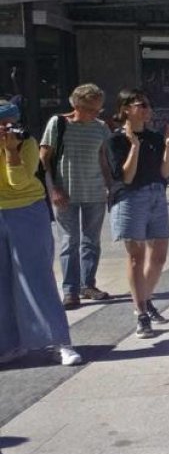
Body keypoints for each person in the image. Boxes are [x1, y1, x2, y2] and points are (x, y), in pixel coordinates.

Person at [0, 98, 82, 366]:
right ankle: (10, 344)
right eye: (2, 124)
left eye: (10, 123)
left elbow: (20, 181)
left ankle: (60, 342)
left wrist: (11, 151)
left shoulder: (28, 143)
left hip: (27, 211)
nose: (7, 129)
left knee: (37, 277)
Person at [106, 88, 169, 339]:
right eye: (142, 105)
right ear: (126, 108)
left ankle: (145, 300)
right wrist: (134, 147)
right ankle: (140, 314)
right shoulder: (115, 141)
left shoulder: (155, 137)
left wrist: (168, 145)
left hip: (156, 195)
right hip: (130, 199)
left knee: (159, 256)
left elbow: (165, 173)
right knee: (136, 257)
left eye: (148, 105)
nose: (148, 109)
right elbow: (126, 176)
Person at [39, 83, 113, 310]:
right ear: (77, 105)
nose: (95, 114)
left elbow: (104, 159)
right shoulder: (58, 123)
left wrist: (111, 187)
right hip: (65, 194)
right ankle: (70, 291)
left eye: (98, 110)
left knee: (92, 241)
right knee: (69, 242)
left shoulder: (100, 127)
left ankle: (87, 284)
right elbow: (45, 157)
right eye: (91, 109)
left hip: (95, 192)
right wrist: (54, 189)